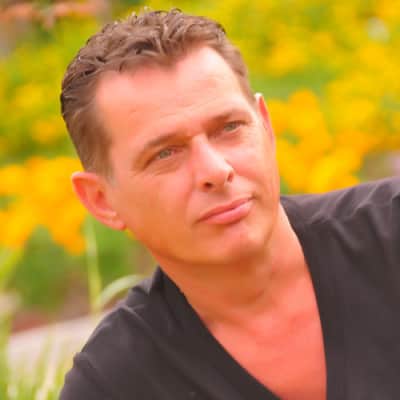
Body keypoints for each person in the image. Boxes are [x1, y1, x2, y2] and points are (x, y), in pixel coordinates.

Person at [59, 9, 400, 400]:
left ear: (266, 126)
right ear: (101, 200)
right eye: (165, 153)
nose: (215, 170)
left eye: (230, 128)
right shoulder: (114, 385)